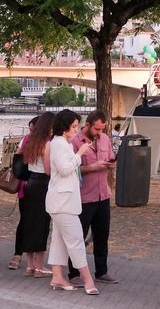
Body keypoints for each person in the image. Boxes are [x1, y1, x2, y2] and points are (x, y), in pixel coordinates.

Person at [44, 112, 98, 294]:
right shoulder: (59, 143)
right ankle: (87, 279)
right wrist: (80, 154)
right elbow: (65, 169)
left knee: (60, 239)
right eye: (74, 126)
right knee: (76, 240)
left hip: (63, 201)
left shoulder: (61, 143)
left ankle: (57, 275)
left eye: (77, 126)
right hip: (62, 202)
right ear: (65, 126)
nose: (76, 130)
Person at [76, 110, 117, 283]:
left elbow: (110, 158)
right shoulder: (75, 141)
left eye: (102, 129)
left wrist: (110, 165)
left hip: (103, 194)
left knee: (102, 235)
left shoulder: (105, 140)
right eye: (97, 129)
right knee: (79, 235)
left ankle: (101, 270)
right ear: (88, 125)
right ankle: (74, 272)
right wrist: (93, 167)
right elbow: (71, 168)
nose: (99, 133)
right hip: (84, 195)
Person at [12, 113, 53, 277]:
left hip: (29, 184)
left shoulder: (29, 143)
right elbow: (49, 169)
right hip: (43, 183)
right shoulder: (47, 144)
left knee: (29, 223)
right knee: (42, 225)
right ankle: (39, 265)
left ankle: (29, 265)